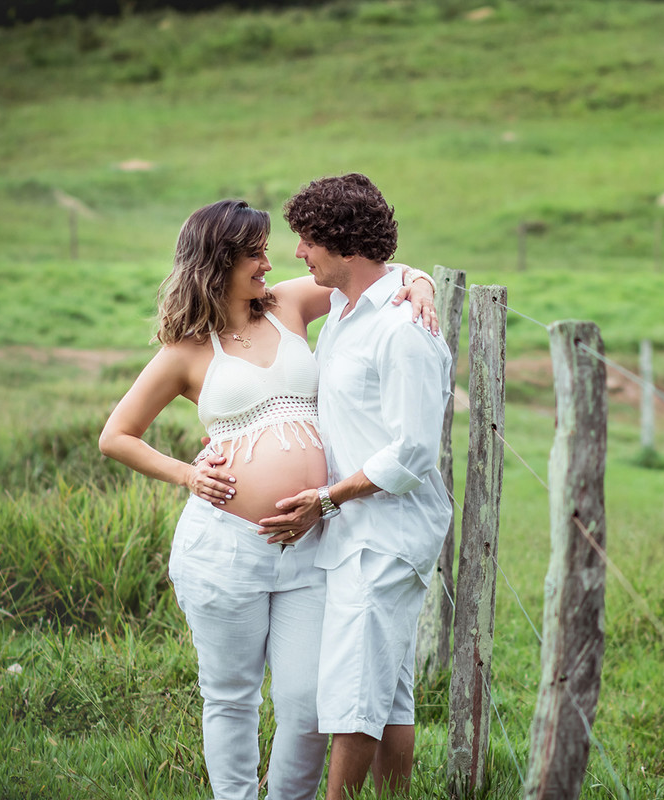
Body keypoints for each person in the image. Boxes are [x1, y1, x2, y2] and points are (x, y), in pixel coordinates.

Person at [98, 198, 437, 800]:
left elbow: (368, 268)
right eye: (254, 252)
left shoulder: (288, 303)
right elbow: (116, 436)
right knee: (230, 695)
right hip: (225, 549)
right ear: (216, 261)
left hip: (310, 546)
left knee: (308, 699)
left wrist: (422, 280)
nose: (269, 260)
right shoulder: (187, 350)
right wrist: (186, 475)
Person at [253, 173, 454, 800]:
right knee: (390, 692)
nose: (296, 253)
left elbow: (415, 451)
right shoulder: (348, 308)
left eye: (307, 239)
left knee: (354, 695)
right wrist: (417, 275)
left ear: (343, 246)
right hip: (360, 531)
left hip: (387, 533)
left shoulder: (401, 329)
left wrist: (325, 500)